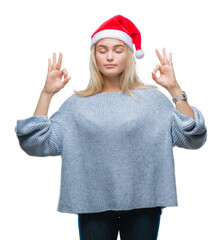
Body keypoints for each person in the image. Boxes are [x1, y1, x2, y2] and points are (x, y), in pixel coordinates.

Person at [15, 15, 207, 240]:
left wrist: (174, 89)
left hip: (144, 204)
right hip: (92, 205)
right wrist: (47, 94)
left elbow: (193, 136)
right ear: (94, 56)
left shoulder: (152, 100)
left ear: (129, 55)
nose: (109, 57)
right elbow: (36, 143)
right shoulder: (77, 105)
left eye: (118, 50)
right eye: (102, 50)